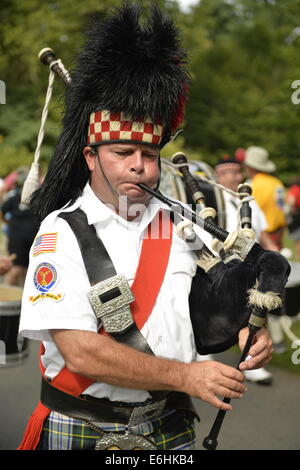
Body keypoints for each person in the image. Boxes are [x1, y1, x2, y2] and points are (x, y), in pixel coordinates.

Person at [18, 4, 276, 451]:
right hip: (87, 429)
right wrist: (184, 376)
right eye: (122, 153)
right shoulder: (60, 234)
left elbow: (194, 312)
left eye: (150, 155)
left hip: (168, 427)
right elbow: (80, 350)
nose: (140, 167)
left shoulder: (176, 224)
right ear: (90, 157)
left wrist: (243, 328)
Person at [213, 157, 277, 385]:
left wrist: (275, 253)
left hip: (250, 269)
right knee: (210, 314)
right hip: (218, 268)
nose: (234, 177)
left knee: (253, 317)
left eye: (237, 172)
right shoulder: (213, 199)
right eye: (228, 173)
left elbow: (263, 232)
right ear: (219, 176)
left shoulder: (250, 201)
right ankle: (203, 358)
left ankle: (251, 363)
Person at [244, 147, 288, 354]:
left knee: (259, 292)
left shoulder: (254, 185)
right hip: (277, 236)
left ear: (250, 166)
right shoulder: (278, 184)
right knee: (277, 288)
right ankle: (277, 336)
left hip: (262, 240)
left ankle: (263, 337)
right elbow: (283, 213)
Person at [0, 167, 39, 286]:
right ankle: (7, 299)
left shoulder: (38, 198)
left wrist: (7, 222)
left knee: (28, 269)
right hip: (19, 238)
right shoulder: (16, 198)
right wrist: (7, 222)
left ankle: (20, 299)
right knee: (15, 268)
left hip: (31, 238)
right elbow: (1, 211)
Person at [244, 146, 286, 251]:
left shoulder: (253, 185)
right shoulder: (277, 182)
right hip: (279, 234)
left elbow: (253, 214)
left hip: (264, 238)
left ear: (250, 167)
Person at [286, 176, 300, 260]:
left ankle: (298, 256)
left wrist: (289, 212)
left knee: (297, 236)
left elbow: (291, 201)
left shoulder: (294, 190)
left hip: (296, 214)